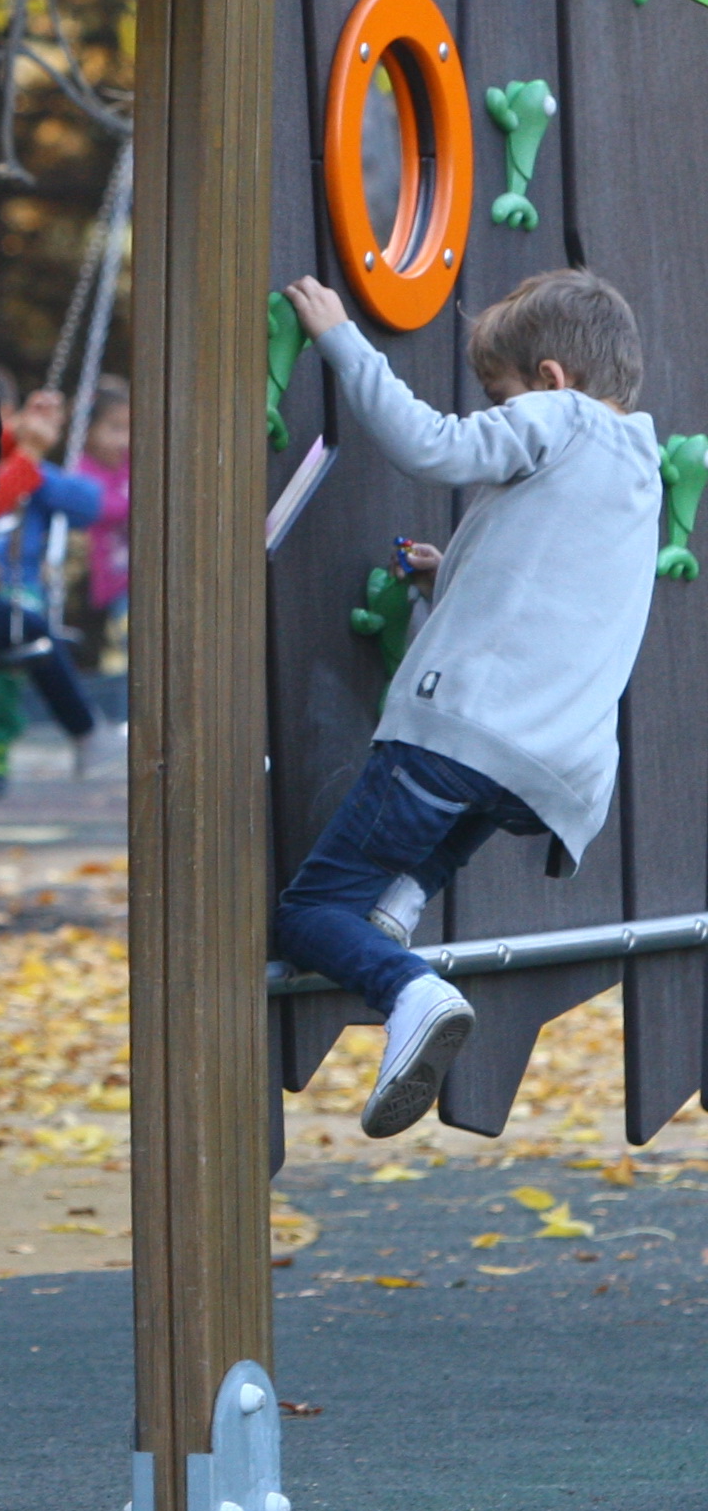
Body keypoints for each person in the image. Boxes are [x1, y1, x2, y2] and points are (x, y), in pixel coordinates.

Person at [274, 269, 659, 1140]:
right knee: (402, 869)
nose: (496, 414)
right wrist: (447, 573)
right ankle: (398, 907)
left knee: (308, 914)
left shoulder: (559, 417)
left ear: (553, 381)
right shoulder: (640, 467)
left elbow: (433, 445)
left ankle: (409, 989)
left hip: (459, 737)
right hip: (553, 773)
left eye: (501, 396)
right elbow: (555, 587)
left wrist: (340, 338)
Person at [0, 380, 107, 794]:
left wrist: (24, 440)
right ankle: (79, 730)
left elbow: (89, 503)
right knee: (28, 629)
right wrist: (28, 449)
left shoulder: (30, 474)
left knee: (30, 625)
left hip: (17, 586)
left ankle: (80, 732)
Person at [75, 376, 131, 674]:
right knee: (115, 648)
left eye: (129, 429)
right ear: (87, 432)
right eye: (114, 429)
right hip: (104, 584)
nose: (124, 440)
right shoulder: (83, 470)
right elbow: (102, 507)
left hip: (133, 581)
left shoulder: (129, 465)